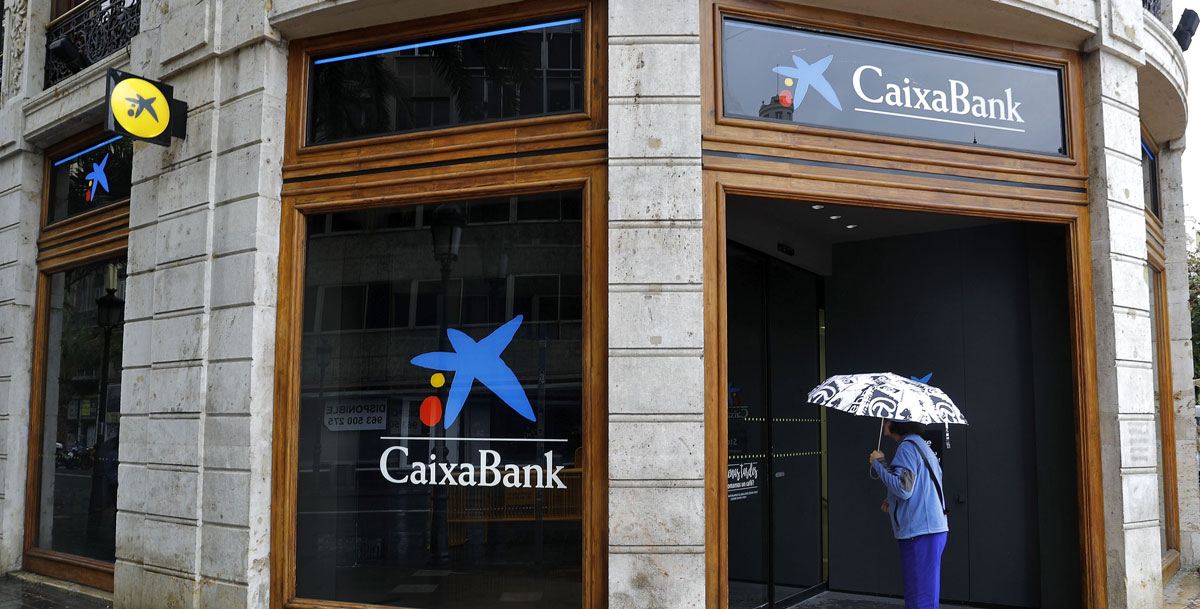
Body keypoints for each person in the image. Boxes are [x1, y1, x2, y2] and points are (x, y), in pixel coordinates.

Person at [869, 419, 948, 609]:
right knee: (926, 594)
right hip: (930, 529)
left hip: (919, 532)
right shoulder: (919, 445)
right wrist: (893, 501)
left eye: (886, 420)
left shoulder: (907, 448)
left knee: (919, 598)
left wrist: (878, 463)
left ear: (897, 424)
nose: (883, 423)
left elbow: (904, 488)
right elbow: (919, 485)